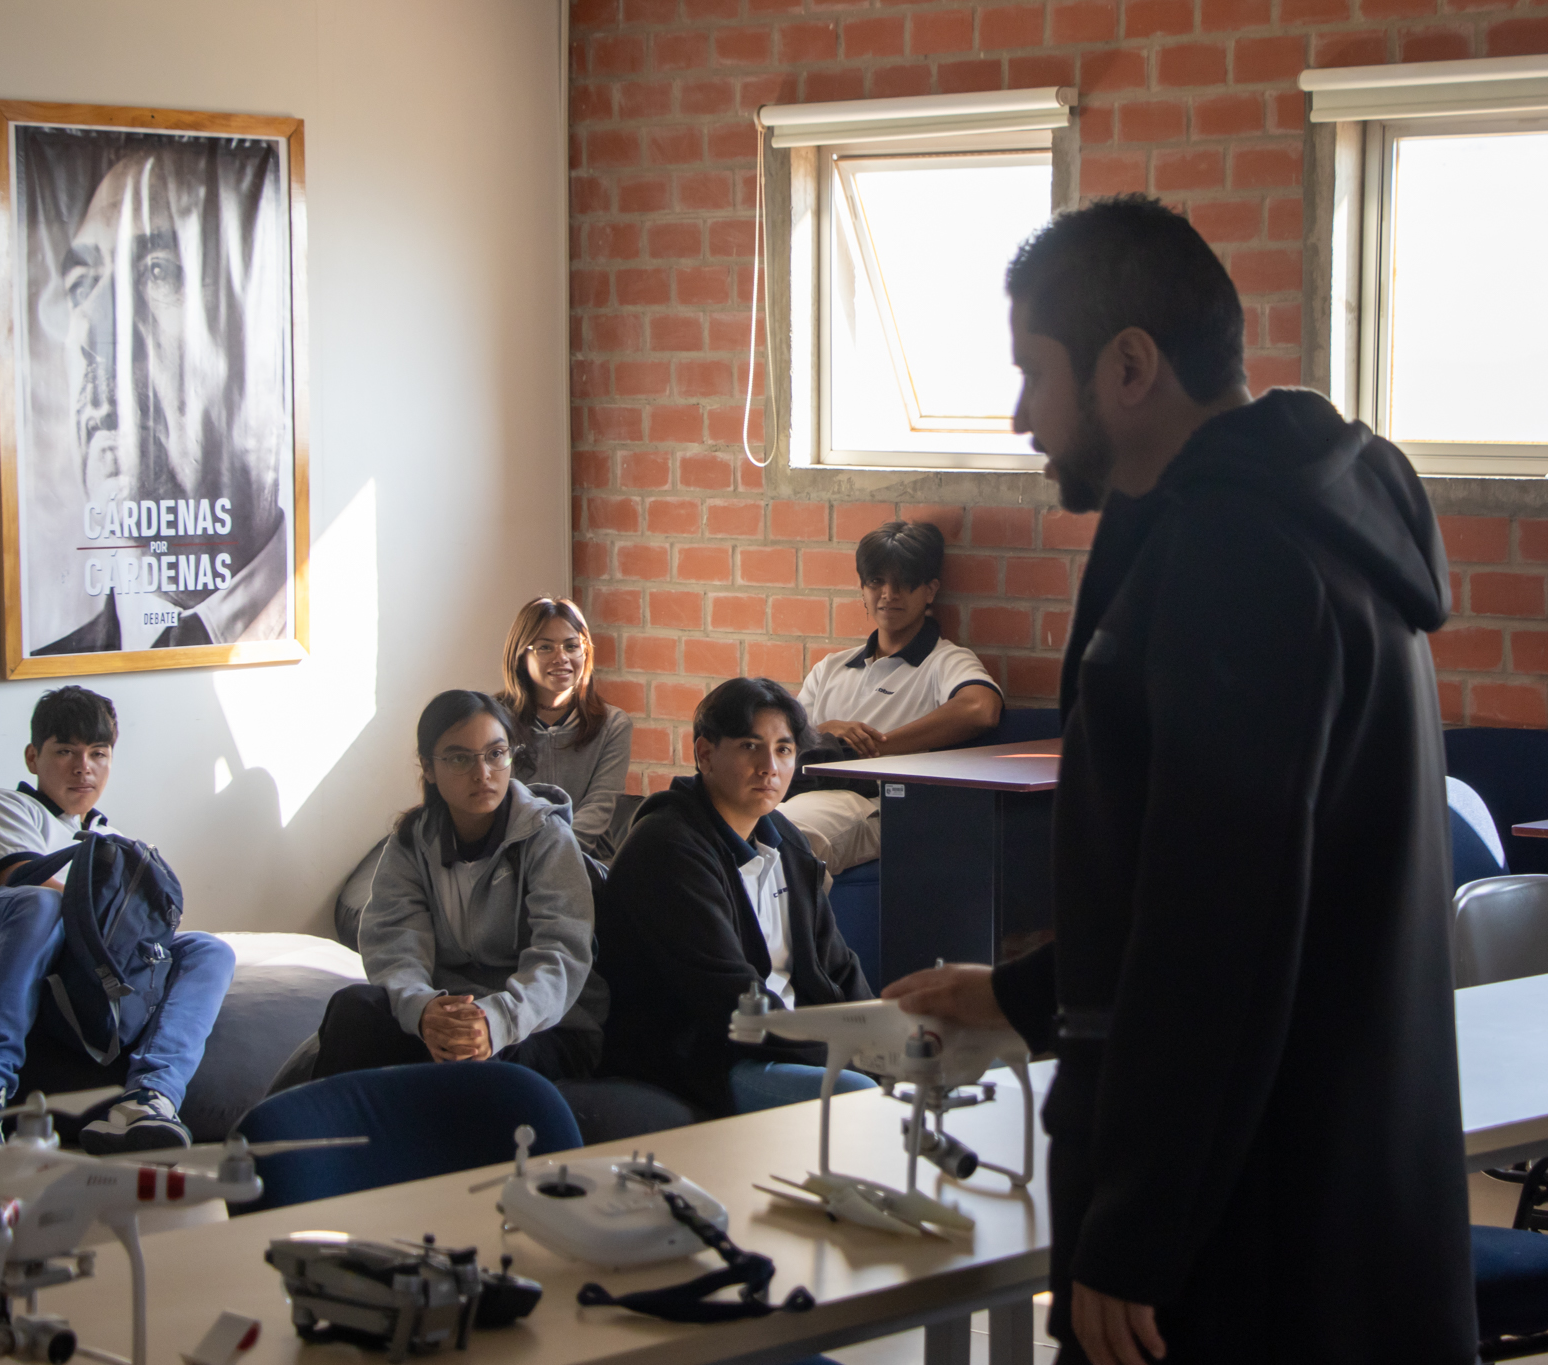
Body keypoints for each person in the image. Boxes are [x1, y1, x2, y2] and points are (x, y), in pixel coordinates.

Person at [882, 196, 1475, 1364]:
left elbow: (1222, 931)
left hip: (1248, 1230)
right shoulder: (1294, 523)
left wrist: (1137, 1228)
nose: (1020, 416)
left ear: (1128, 365)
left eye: (1032, 374)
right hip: (1326, 1193)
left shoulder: (1235, 557)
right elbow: (1217, 877)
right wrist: (1029, 995)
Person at [0, 686, 236, 1153]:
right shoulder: (2, 807)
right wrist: (121, 932)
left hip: (70, 970)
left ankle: (148, 1100)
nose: (83, 767)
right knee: (40, 904)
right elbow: (23, 879)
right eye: (65, 751)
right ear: (33, 757)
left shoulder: (110, 838)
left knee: (208, 949)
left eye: (97, 753)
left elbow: (144, 927)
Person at [32, 139, 292, 655]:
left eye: (158, 271)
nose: (94, 331)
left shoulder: (347, 633)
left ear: (262, 333)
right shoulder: (55, 668)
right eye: (82, 285)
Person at [596, 677, 873, 1116]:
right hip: (715, 1058)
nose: (770, 767)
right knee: (856, 1095)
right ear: (705, 754)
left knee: (939, 1068)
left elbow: (837, 966)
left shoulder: (786, 840)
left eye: (784, 749)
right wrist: (843, 1052)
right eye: (750, 747)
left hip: (792, 1044)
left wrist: (881, 1039)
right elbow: (727, 1000)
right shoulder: (667, 848)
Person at [313, 690, 607, 1081]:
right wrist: (423, 1010)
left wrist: (495, 1021)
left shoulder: (547, 837)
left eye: (496, 754)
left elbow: (561, 956)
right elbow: (394, 946)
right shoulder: (412, 843)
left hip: (544, 1023)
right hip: (450, 1009)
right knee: (353, 1008)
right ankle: (330, 1120)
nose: (482, 773)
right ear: (429, 768)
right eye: (459, 758)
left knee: (469, 1062)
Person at [784, 521, 1002, 875]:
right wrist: (827, 732)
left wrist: (873, 748)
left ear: (930, 591)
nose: (889, 594)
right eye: (876, 582)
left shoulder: (944, 660)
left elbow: (981, 708)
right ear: (863, 589)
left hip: (879, 802)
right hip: (803, 789)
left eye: (903, 582)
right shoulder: (830, 667)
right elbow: (784, 743)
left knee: (785, 838)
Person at [498, 597, 634, 860]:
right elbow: (501, 805)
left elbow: (598, 806)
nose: (561, 658)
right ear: (521, 656)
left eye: (572, 646)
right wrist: (527, 863)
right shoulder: (494, 721)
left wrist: (555, 860)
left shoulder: (613, 725)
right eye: (545, 647)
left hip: (586, 859)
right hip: (513, 857)